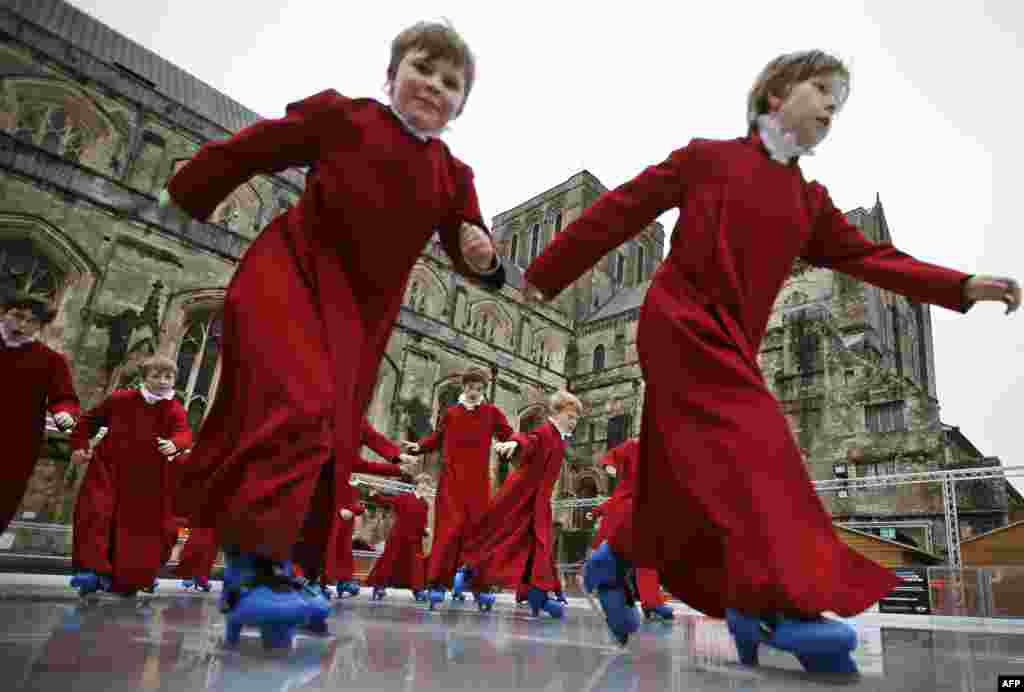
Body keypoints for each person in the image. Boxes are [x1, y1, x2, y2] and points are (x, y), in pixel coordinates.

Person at [522, 49, 1020, 671]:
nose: (833, 106)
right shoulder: (707, 157)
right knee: (761, 447)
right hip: (678, 320)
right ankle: (778, 607)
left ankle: (615, 557)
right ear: (777, 94)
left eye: (841, 100)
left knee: (700, 468)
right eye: (823, 90)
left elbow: (877, 260)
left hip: (732, 341)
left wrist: (961, 285)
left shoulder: (811, 203)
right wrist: (547, 273)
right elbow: (623, 209)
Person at [160, 19, 504, 648]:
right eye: (423, 69)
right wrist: (190, 192)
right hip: (291, 273)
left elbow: (468, 244)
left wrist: (482, 257)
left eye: (450, 82)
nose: (434, 86)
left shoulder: (454, 175)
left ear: (460, 105)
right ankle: (255, 569)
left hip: (363, 318)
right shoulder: (344, 117)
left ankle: (288, 569)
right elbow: (258, 145)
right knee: (296, 405)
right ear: (392, 74)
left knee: (331, 437)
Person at [69, 355, 193, 596]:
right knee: (96, 513)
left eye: (168, 377)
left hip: (146, 478)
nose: (162, 381)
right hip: (108, 468)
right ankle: (91, 570)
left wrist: (175, 444)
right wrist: (79, 445)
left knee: (134, 529)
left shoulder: (175, 408)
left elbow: (184, 433)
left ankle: (124, 578)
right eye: (156, 376)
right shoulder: (120, 399)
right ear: (144, 378)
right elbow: (88, 420)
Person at [454, 390, 583, 618]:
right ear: (556, 412)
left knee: (536, 547)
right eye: (570, 416)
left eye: (576, 418)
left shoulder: (560, 439)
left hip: (538, 501)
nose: (574, 422)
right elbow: (529, 439)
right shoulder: (545, 431)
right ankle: (471, 575)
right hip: (524, 498)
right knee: (510, 541)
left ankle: (532, 593)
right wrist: (514, 443)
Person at [402, 366, 513, 606]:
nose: (474, 392)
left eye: (479, 388)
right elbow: (437, 438)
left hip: (477, 483)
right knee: (447, 531)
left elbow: (510, 435)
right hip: (451, 481)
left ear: (484, 390)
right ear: (464, 387)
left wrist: (517, 445)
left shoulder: (491, 413)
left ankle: (480, 585)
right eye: (471, 387)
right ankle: (438, 583)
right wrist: (419, 446)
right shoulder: (452, 414)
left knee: (477, 532)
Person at [1, 293, 79, 534]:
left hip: (14, 445)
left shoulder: (51, 361)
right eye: (18, 317)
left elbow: (64, 397)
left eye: (32, 321)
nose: (22, 325)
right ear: (5, 313)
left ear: (41, 326)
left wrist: (64, 413)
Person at [587, 439, 673, 621]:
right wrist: (611, 467)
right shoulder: (634, 445)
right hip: (627, 506)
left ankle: (651, 603)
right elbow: (612, 457)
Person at [364, 473, 433, 601]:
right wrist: (375, 495)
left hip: (415, 539)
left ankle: (418, 590)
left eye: (427, 484)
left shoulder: (425, 504)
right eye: (423, 483)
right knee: (389, 561)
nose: (425, 486)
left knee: (416, 564)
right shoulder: (405, 497)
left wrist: (426, 531)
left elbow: (422, 523)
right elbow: (387, 501)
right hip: (398, 536)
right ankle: (379, 586)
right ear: (417, 485)